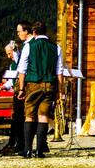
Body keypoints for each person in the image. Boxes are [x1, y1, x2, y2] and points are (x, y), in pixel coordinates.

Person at [16, 20, 64, 158]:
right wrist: (60, 90)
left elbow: (22, 69)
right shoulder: (56, 47)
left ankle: (27, 149)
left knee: (29, 115)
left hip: (33, 83)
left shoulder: (29, 46)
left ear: (34, 32)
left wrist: (20, 89)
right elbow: (59, 71)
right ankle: (39, 150)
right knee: (43, 116)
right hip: (49, 84)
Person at [0, 40, 25, 156]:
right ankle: (15, 143)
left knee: (20, 119)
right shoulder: (12, 64)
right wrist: (2, 87)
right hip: (15, 92)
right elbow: (11, 81)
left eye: (9, 53)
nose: (8, 56)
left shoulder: (21, 61)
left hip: (22, 92)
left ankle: (20, 144)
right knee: (16, 118)